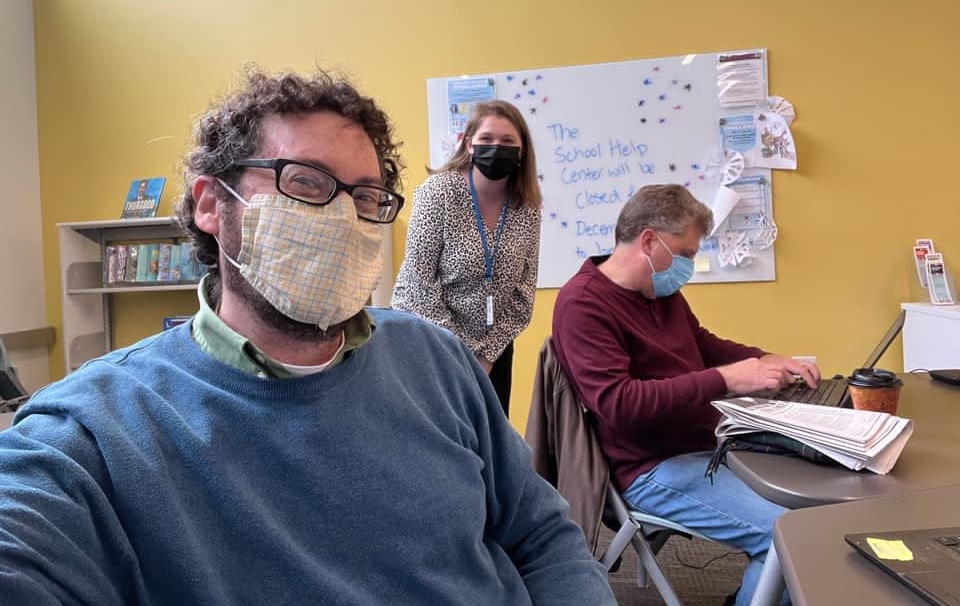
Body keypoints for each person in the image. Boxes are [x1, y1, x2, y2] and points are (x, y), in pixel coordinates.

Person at [0, 67, 615, 606]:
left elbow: (542, 535)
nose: (343, 216)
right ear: (213, 204)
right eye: (305, 182)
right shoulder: (97, 430)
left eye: (367, 196)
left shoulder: (434, 361)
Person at [552, 184, 819, 606]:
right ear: (648, 241)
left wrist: (766, 359)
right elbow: (619, 405)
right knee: (788, 537)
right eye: (687, 254)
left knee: (816, 508)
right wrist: (726, 379)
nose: (689, 265)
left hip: (706, 447)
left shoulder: (659, 291)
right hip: (649, 468)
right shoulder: (582, 305)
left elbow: (702, 344)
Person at [391, 100, 541, 417]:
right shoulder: (439, 192)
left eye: (507, 142)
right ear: (469, 143)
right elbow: (416, 284)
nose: (496, 147)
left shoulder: (526, 207)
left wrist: (486, 356)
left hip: (494, 352)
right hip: (433, 345)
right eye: (486, 139)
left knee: (489, 446)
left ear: (522, 151)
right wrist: (462, 354)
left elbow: (523, 294)